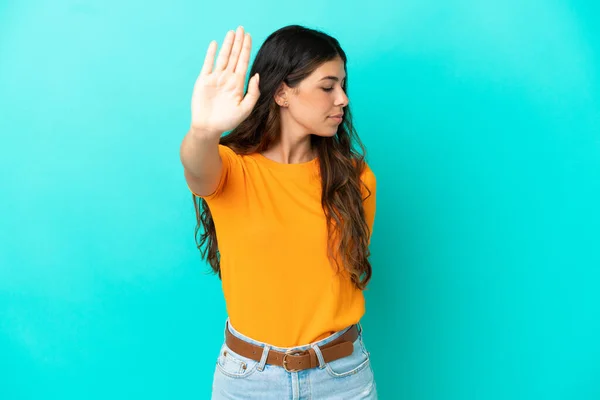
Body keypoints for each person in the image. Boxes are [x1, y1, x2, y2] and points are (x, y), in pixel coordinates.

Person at [180, 24, 378, 399]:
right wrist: (203, 131)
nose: (342, 100)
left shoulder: (355, 178)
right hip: (248, 379)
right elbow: (195, 166)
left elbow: (348, 270)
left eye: (342, 86)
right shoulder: (231, 169)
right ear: (283, 92)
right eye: (327, 86)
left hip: (342, 376)